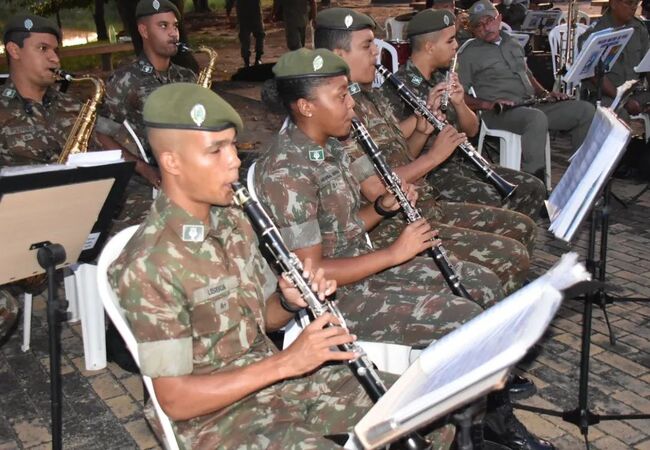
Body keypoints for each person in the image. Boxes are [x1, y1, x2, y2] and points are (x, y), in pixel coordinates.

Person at [108, 82, 455, 449]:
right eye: (216, 150)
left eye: (232, 146)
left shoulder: (232, 221)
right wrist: (287, 363)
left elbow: (263, 321)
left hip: (278, 383)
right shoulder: (149, 264)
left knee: (425, 413)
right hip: (215, 420)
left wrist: (289, 302)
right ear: (172, 162)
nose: (235, 161)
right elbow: (175, 400)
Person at [256, 48, 497, 349]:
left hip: (362, 267)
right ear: (306, 107)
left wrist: (382, 208)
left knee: (483, 284)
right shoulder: (287, 171)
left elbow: (345, 230)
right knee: (465, 317)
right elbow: (311, 273)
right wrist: (394, 254)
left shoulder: (331, 145)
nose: (352, 103)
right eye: (341, 96)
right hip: (334, 297)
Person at [314, 7, 536, 296]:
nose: (376, 54)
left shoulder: (370, 95)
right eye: (367, 46)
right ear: (338, 56)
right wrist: (434, 157)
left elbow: (399, 152)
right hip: (393, 226)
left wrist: (421, 128)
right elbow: (376, 190)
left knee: (521, 229)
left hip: (422, 203)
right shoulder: (338, 114)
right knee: (507, 255)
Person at [381, 9, 546, 217]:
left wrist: (460, 103)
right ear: (429, 47)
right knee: (493, 199)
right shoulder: (398, 86)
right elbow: (394, 148)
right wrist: (421, 118)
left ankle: (516, 241)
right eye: (450, 41)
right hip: (431, 173)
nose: (456, 46)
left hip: (461, 163)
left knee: (533, 187)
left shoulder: (444, 77)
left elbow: (472, 129)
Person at [0, 13, 104, 343]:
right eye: (43, 49)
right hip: (16, 226)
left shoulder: (72, 106)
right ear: (14, 51)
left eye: (56, 50)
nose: (55, 58)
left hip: (75, 216)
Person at [458, 0, 595, 177]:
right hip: (499, 112)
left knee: (584, 110)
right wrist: (487, 105)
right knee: (535, 119)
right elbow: (459, 95)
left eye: (489, 20)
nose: (485, 27)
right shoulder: (468, 53)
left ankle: (581, 176)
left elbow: (527, 75)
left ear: (499, 19)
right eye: (479, 25)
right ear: (473, 30)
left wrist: (546, 93)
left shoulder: (513, 42)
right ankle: (534, 184)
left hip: (531, 104)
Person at [96, 0, 197, 231]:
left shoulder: (187, 77)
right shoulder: (124, 80)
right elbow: (101, 136)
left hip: (186, 173)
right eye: (163, 26)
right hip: (145, 182)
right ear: (143, 31)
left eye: (175, 26)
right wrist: (144, 169)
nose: (173, 33)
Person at [579, 0, 650, 121]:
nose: (633, 8)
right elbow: (594, 75)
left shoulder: (638, 28)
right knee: (618, 115)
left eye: (635, 4)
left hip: (635, 92)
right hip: (606, 96)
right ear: (613, 4)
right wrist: (623, 100)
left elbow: (647, 64)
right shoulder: (595, 34)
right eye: (629, 3)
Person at [226, 0, 265, 67]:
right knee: (258, 35)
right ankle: (257, 59)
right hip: (254, 9)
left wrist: (228, 10)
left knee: (246, 36)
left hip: (244, 9)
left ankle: (248, 61)